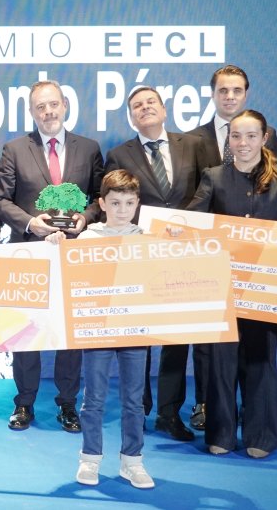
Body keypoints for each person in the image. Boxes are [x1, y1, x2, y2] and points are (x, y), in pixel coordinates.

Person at [187, 109, 277, 458]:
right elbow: (188, 224)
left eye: (250, 136)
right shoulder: (212, 176)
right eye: (235, 136)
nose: (242, 143)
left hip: (266, 289)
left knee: (261, 362)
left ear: (264, 138)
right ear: (228, 140)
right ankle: (221, 434)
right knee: (220, 363)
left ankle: (260, 436)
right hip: (222, 288)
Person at [0, 80, 103, 434]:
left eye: (53, 105)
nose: (48, 112)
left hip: (74, 254)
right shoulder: (14, 149)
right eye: (40, 107)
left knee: (69, 335)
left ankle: (68, 404)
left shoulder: (89, 148)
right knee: (27, 333)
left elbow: (102, 195)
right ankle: (24, 403)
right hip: (30, 253)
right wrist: (30, 223)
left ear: (65, 105)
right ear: (32, 112)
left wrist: (86, 217)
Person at [103, 86, 208, 442]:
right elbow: (114, 206)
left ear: (164, 110)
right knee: (139, 338)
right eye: (136, 106)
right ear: (131, 116)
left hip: (184, 257)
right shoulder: (118, 154)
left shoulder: (192, 145)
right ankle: (139, 408)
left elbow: (207, 194)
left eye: (151, 103)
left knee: (177, 339)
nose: (144, 108)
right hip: (138, 257)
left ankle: (169, 412)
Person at [184, 64, 277, 431]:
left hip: (261, 273)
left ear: (262, 138)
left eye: (237, 90)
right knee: (213, 353)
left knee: (259, 355)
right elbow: (195, 206)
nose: (243, 143)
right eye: (223, 90)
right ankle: (211, 415)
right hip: (216, 269)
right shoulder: (196, 143)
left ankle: (257, 425)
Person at [47, 169, 155, 489]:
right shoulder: (88, 237)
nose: (122, 210)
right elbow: (67, 275)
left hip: (135, 330)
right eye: (115, 203)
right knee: (93, 398)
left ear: (137, 203)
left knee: (134, 400)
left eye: (129, 203)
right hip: (98, 330)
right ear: (102, 203)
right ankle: (90, 458)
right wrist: (56, 245)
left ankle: (132, 461)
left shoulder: (147, 238)